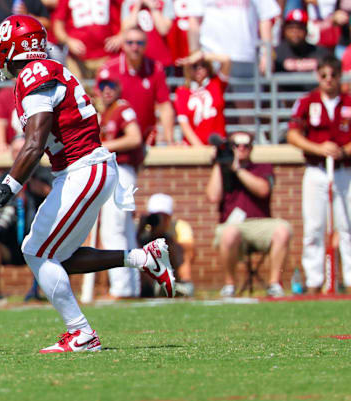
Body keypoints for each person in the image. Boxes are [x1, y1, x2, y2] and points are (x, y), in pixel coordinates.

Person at [0, 15, 176, 353]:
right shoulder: (47, 69)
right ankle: (142, 259)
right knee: (56, 258)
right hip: (82, 169)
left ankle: (81, 333)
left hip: (83, 169)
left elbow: (34, 145)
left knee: (35, 251)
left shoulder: (34, 74)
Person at [287, 56, 351, 294]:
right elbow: (293, 135)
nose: (329, 80)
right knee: (314, 226)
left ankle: (349, 279)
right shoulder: (307, 101)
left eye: (333, 75)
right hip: (316, 169)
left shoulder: (348, 101)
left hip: (345, 170)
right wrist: (320, 148)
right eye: (324, 75)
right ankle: (314, 280)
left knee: (347, 226)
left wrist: (342, 150)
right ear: (318, 76)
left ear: (339, 76)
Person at [80, 74, 143, 302]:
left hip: (122, 171)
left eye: (112, 85)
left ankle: (122, 288)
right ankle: (131, 286)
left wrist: (103, 147)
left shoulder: (122, 108)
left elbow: (135, 138)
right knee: (124, 230)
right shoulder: (105, 112)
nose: (107, 90)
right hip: (118, 171)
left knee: (113, 230)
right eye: (103, 86)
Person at [205, 131, 292, 298]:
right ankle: (229, 285)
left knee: (283, 229)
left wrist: (238, 170)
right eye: (236, 145)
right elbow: (213, 196)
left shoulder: (262, 167)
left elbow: (263, 190)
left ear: (252, 148)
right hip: (233, 226)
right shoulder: (222, 171)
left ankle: (275, 284)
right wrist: (218, 163)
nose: (241, 149)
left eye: (246, 145)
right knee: (229, 233)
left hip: (261, 223)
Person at [0, 136, 53, 304]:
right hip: (10, 242)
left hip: (40, 240)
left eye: (23, 150)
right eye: (16, 151)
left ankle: (46, 290)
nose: (20, 155)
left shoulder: (47, 174)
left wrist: (46, 192)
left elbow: (64, 205)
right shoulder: (4, 179)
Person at [97, 26, 175, 145]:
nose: (135, 47)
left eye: (139, 42)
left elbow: (165, 106)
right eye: (130, 42)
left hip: (145, 138)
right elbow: (100, 104)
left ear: (146, 44)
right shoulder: (109, 69)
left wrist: (170, 141)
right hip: (116, 140)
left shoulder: (155, 69)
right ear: (122, 44)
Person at [137, 193, 196, 297]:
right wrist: (140, 232)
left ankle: (185, 284)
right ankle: (155, 286)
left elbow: (190, 251)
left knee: (177, 249)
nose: (160, 219)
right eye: (156, 215)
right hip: (146, 275)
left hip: (172, 270)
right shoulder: (141, 227)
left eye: (164, 216)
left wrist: (166, 239)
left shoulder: (179, 226)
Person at [52, 0, 122, 81]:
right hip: (77, 60)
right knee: (76, 91)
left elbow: (126, 13)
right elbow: (57, 25)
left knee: (108, 90)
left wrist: (121, 36)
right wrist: (68, 41)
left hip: (107, 57)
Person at [174, 50, 231, 146]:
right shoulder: (182, 91)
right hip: (194, 147)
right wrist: (199, 148)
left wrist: (202, 55)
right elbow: (184, 123)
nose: (199, 69)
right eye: (195, 66)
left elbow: (226, 60)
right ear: (189, 68)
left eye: (203, 65)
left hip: (217, 145)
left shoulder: (216, 83)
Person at [120, 0, 175, 68]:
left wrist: (152, 7)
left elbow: (163, 30)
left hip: (162, 62)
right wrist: (137, 6)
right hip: (136, 63)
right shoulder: (128, 3)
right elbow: (127, 31)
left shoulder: (165, 2)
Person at [275, 9, 331, 74]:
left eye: (300, 28)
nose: (295, 32)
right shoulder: (276, 53)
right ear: (285, 30)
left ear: (306, 31)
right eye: (291, 28)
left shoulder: (321, 53)